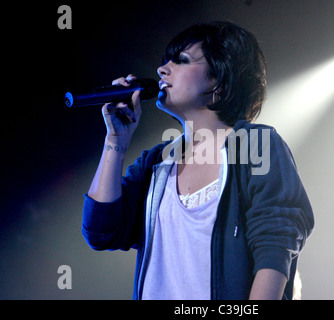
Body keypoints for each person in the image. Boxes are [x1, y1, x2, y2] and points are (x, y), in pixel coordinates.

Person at [82, 21, 314, 300]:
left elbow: (276, 244)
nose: (161, 69)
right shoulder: (156, 162)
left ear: (218, 78)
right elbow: (101, 231)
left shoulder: (257, 145)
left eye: (181, 60)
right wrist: (115, 140)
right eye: (165, 61)